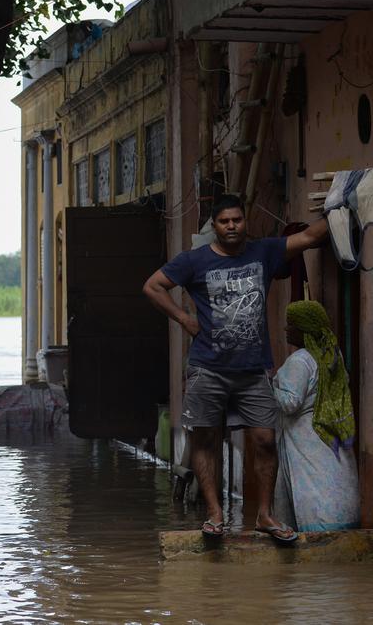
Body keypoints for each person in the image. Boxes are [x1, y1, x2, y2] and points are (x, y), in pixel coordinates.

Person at [143, 194, 329, 541]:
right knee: (206, 439)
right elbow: (152, 286)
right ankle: (215, 515)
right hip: (207, 368)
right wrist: (185, 319)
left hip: (253, 370)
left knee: (265, 440)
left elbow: (309, 237)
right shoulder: (194, 261)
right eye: (224, 221)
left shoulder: (264, 252)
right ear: (214, 226)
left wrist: (344, 202)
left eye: (237, 220)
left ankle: (265, 515)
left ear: (245, 222)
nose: (231, 226)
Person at [273, 300, 358, 532]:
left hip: (305, 438)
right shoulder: (333, 355)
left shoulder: (300, 360)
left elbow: (290, 403)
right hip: (327, 436)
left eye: (291, 325)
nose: (286, 329)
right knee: (331, 483)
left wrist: (266, 386)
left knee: (310, 488)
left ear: (304, 329)